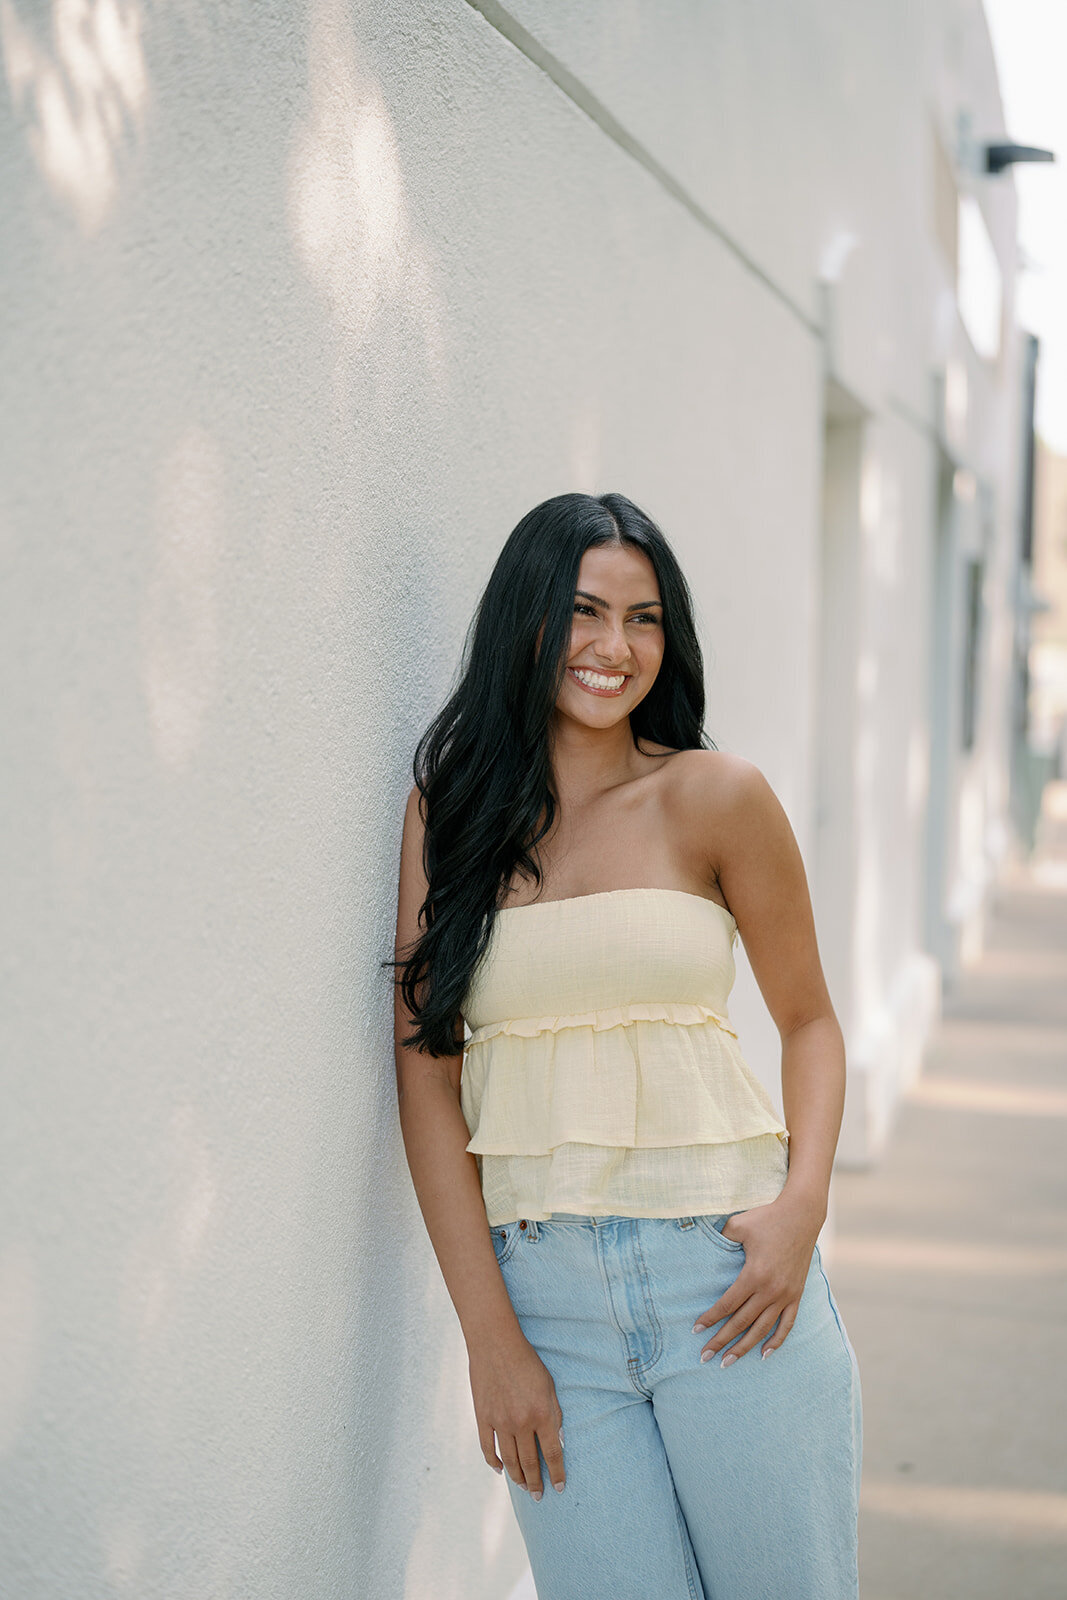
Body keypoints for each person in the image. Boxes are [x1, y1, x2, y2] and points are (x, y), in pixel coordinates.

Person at [390, 491, 862, 1600]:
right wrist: (488, 1338)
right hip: (542, 1304)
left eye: (643, 618)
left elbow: (809, 1020)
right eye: (584, 612)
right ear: (527, 620)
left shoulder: (714, 795)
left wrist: (798, 1209)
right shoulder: (446, 813)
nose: (613, 648)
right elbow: (425, 1072)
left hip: (728, 1279)